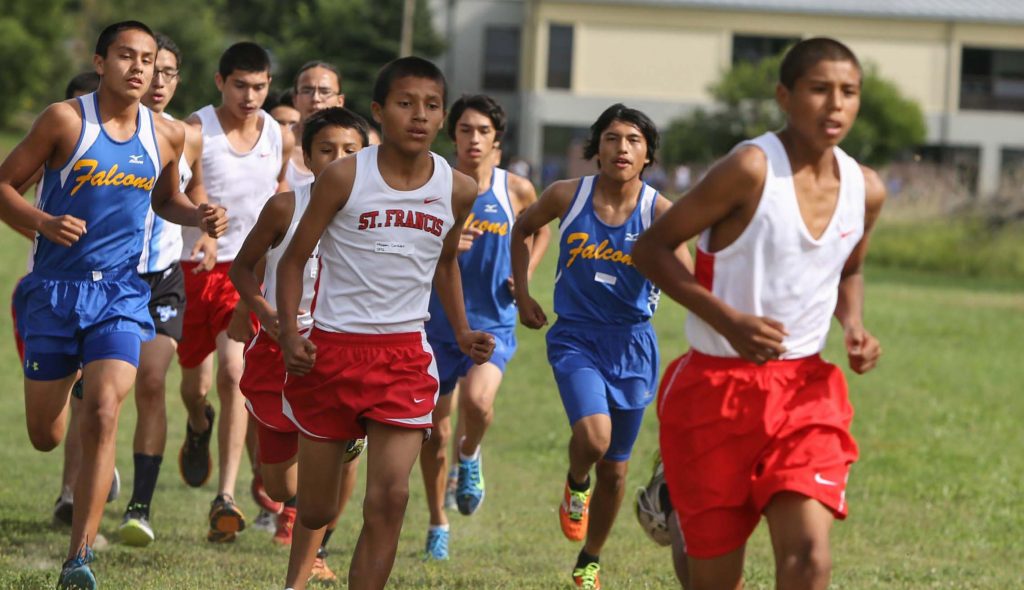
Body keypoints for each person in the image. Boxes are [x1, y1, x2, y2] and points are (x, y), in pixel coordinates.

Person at [632, 37, 885, 590]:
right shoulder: (750, 168)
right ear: (785, 96)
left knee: (809, 559)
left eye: (849, 92)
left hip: (804, 391)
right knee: (714, 578)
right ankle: (680, 512)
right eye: (820, 90)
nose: (835, 104)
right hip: (715, 390)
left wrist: (855, 325)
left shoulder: (865, 189)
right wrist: (728, 321)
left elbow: (848, 270)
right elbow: (649, 249)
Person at [0, 20, 226, 589]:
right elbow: (4, 187)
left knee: (104, 411)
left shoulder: (167, 135)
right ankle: (71, 386)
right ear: (100, 62)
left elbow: (168, 197)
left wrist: (198, 216)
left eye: (147, 60)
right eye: (126, 56)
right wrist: (44, 222)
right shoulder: (65, 121)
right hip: (54, 294)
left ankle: (78, 558)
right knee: (46, 434)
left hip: (123, 293)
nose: (138, 68)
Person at [276, 56, 495, 590]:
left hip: (403, 357)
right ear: (378, 111)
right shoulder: (344, 177)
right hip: (331, 353)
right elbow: (293, 259)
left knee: (390, 501)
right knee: (314, 510)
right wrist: (288, 332)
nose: (419, 116)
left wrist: (462, 331)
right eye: (405, 103)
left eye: (432, 105)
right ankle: (346, 439)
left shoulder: (458, 188)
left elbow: (445, 261)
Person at [510, 103, 691, 590]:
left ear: (648, 153)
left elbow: (689, 277)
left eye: (633, 139)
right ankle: (575, 481)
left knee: (616, 471)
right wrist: (523, 293)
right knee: (593, 440)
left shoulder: (660, 212)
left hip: (633, 345)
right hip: (575, 337)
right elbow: (522, 229)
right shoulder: (566, 195)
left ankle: (590, 557)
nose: (622, 148)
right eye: (612, 138)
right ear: (597, 148)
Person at [230, 106, 370, 588]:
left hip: (339, 357)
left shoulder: (374, 215)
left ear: (366, 155)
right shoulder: (285, 208)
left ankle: (303, 570)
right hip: (275, 353)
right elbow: (242, 268)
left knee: (316, 490)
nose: (337, 159)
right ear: (306, 157)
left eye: (350, 151)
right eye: (326, 150)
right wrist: (262, 311)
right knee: (279, 485)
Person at [419, 93, 549, 561]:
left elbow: (540, 229)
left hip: (494, 316)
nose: (474, 139)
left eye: (483, 131)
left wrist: (526, 271)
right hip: (434, 321)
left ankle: (470, 457)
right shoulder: (432, 184)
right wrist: (445, 243)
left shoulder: (515, 189)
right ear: (452, 136)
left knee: (478, 401)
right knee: (433, 432)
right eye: (465, 130)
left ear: (497, 139)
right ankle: (438, 521)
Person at [177, 40, 293, 543]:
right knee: (194, 388)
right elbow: (187, 189)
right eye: (240, 85)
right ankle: (197, 425)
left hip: (248, 274)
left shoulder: (278, 135)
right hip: (199, 268)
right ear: (220, 82)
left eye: (260, 86)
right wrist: (204, 223)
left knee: (233, 373)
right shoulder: (196, 130)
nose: (250, 96)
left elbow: (282, 191)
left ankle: (224, 497)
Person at [118, 31, 216, 547]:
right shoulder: (100, 125)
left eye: (169, 72)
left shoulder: (184, 134)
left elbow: (190, 192)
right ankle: (85, 482)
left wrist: (206, 225)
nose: (159, 81)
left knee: (153, 381)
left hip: (161, 276)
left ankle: (140, 504)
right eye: (152, 69)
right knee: (100, 392)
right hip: (105, 275)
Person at [285, 61, 344, 190]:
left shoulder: (356, 147)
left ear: (340, 101)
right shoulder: (277, 141)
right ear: (295, 99)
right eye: (307, 90)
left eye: (325, 91)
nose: (316, 98)